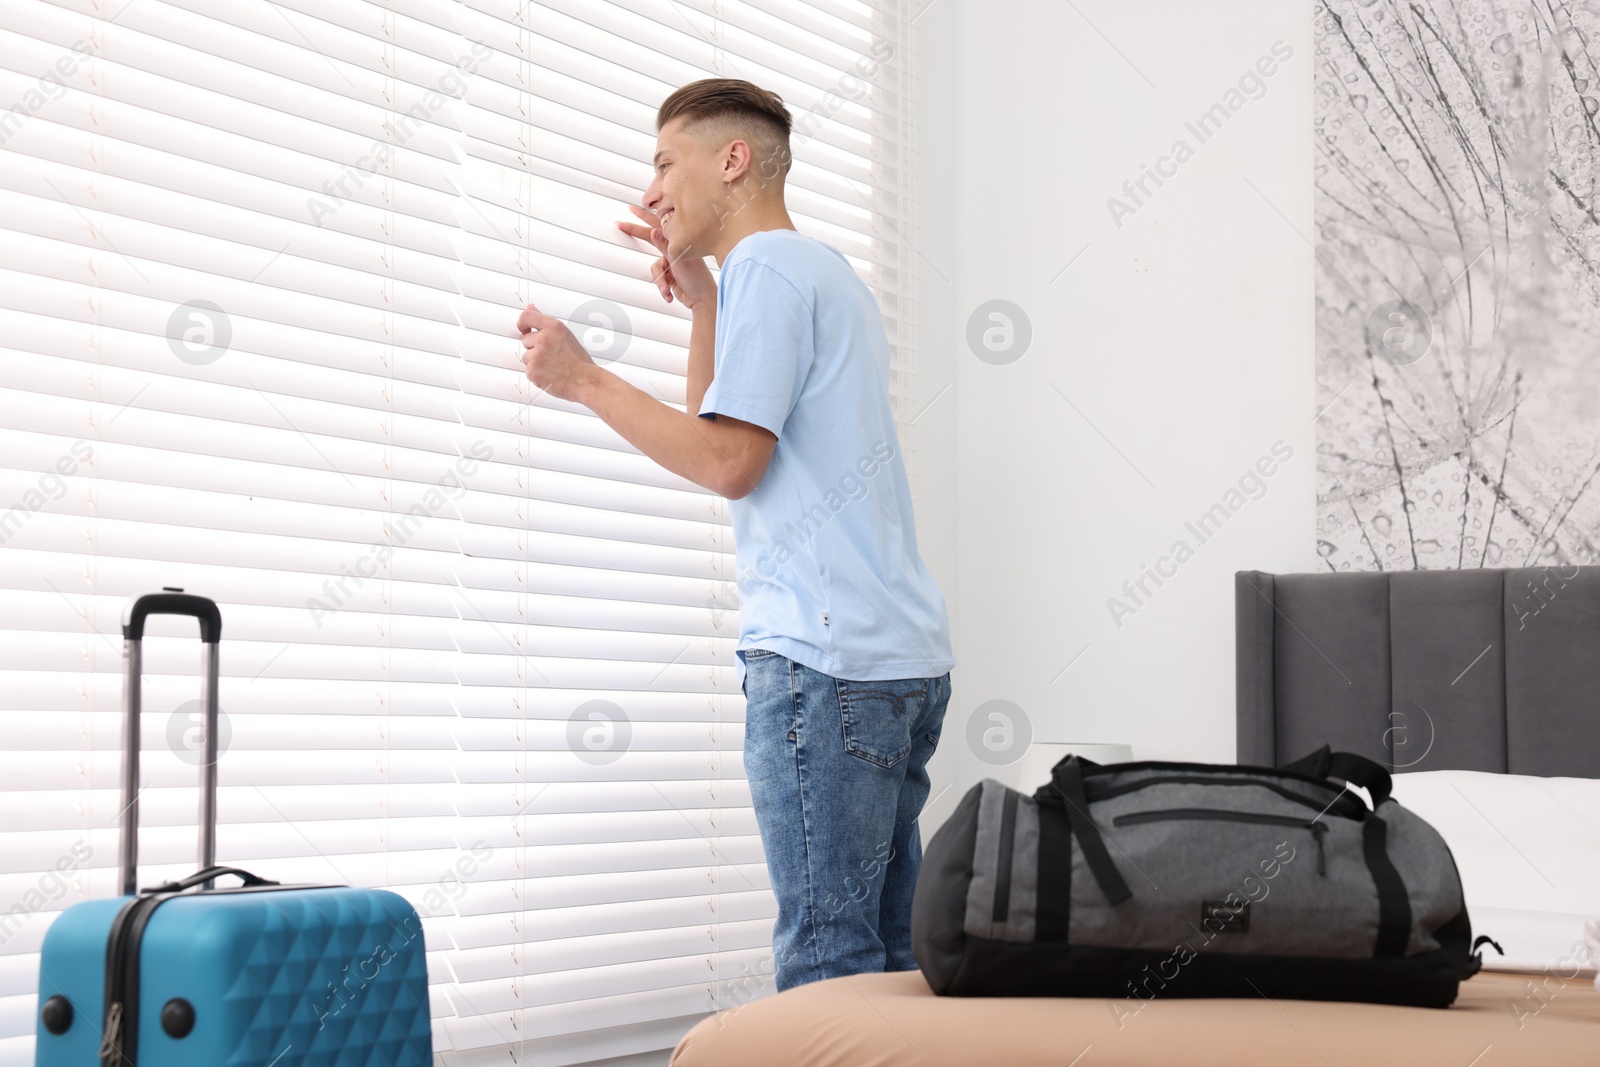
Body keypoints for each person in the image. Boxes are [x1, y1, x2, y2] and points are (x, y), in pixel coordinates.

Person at [517, 77, 954, 993]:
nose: (653, 190)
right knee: (895, 964)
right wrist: (703, 300)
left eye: (664, 162)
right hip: (896, 664)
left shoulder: (771, 272)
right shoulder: (815, 271)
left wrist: (584, 380)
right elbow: (719, 428)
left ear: (733, 161)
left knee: (828, 963)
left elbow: (726, 466)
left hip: (823, 668)